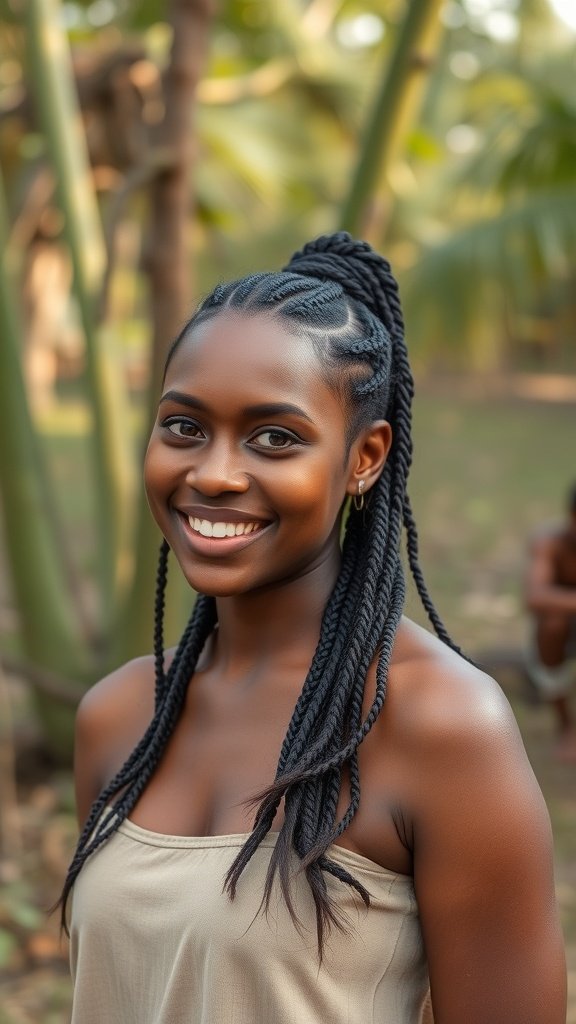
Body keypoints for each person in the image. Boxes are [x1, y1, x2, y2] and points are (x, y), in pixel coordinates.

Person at [61, 234, 566, 1024]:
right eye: (184, 426)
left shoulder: (441, 727)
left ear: (365, 457)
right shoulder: (120, 717)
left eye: (275, 437)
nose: (214, 472)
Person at [525, 483, 576, 762]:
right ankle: (567, 727)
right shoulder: (550, 543)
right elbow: (535, 597)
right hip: (560, 630)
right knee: (552, 624)